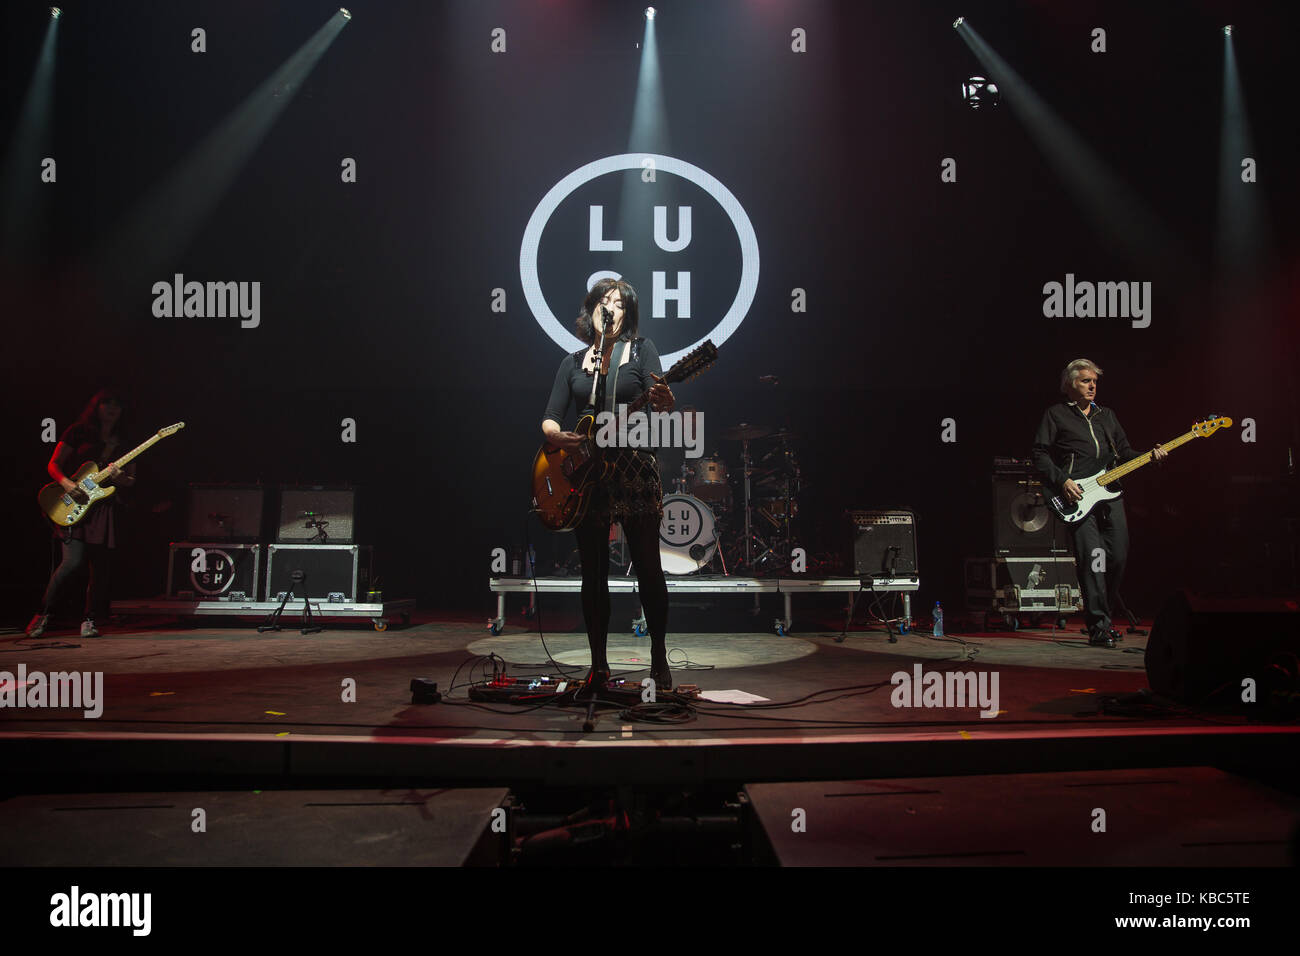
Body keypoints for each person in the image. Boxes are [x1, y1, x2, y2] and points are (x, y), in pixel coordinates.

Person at [541, 278, 675, 693]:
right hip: (588, 473)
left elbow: (665, 402)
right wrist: (559, 436)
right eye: (604, 299)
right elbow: (550, 416)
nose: (610, 306)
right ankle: (598, 664)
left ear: (627, 313)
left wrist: (666, 400)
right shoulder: (573, 362)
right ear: (592, 309)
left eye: (619, 302)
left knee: (648, 567)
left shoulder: (642, 350)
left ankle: (658, 658)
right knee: (593, 572)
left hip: (635, 467)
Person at [1032, 360, 1166, 648]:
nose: (1092, 385)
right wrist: (1062, 481)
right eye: (1085, 381)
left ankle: (1102, 614)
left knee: (1117, 556)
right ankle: (1099, 627)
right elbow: (1040, 455)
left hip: (1110, 494)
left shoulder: (1107, 416)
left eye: (1094, 381)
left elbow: (1125, 452)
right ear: (1070, 385)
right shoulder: (1056, 415)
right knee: (1093, 560)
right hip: (1077, 496)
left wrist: (1149, 456)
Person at [26, 389, 136, 638]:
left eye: (117, 405)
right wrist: (67, 485)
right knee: (71, 563)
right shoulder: (79, 431)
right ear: (96, 407)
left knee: (100, 568)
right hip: (73, 502)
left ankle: (90, 619)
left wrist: (122, 479)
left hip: (102, 508)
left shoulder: (125, 441)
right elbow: (53, 464)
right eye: (106, 403)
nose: (112, 409)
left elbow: (131, 479)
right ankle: (42, 614)